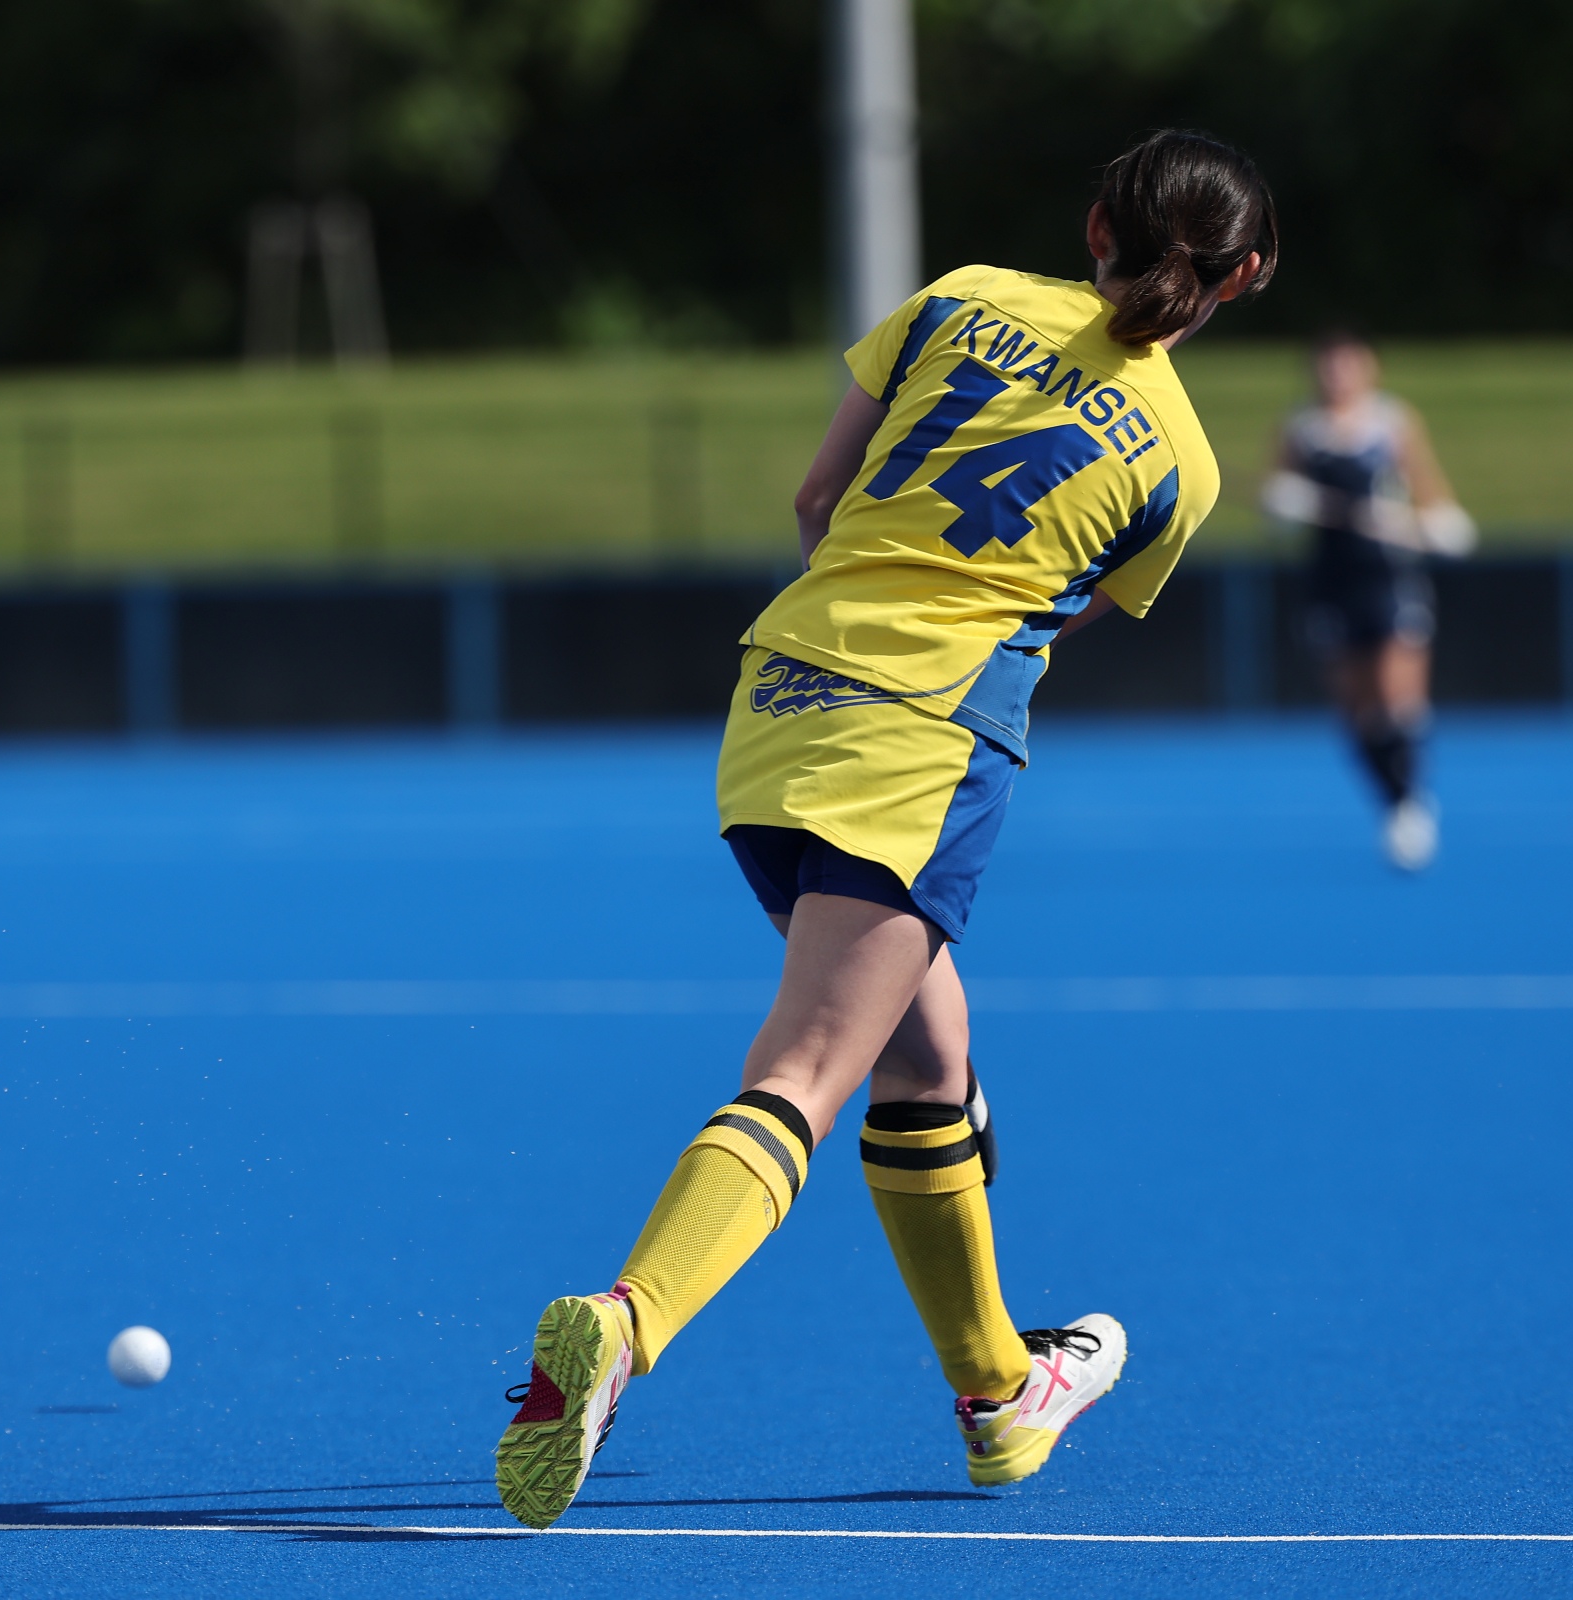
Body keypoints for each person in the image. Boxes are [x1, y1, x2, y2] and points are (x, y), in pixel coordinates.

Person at [492, 130, 1277, 1528]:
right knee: (808, 1066)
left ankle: (999, 1397)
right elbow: (1051, 620)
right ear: (1246, 277)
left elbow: (816, 501)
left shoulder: (956, 298)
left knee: (927, 1053)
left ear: (1095, 226)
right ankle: (626, 1324)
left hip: (777, 696)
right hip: (920, 740)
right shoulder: (1181, 463)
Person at [1263, 330, 1473, 870]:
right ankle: (1394, 800)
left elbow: (1430, 495)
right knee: (1356, 711)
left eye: (1347, 364)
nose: (1337, 376)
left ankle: (1410, 804)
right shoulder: (1301, 429)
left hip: (1389, 576)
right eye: (1328, 366)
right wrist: (1284, 505)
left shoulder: (1391, 422)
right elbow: (1280, 496)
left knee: (1397, 699)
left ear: (1368, 368)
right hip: (1330, 582)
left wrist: (1431, 523)